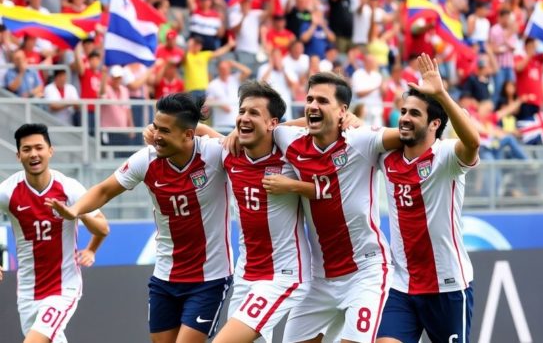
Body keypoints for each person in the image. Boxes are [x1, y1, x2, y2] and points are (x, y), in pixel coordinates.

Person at [46, 93, 233, 343]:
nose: (156, 135)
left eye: (165, 130)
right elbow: (104, 190)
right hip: (165, 276)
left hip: (209, 278)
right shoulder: (147, 159)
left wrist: (201, 127)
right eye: (155, 127)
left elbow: (242, 147)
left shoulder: (213, 154)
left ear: (189, 135)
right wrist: (75, 210)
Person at [259, 71, 401, 342]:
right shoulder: (291, 141)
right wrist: (221, 134)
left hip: (365, 272)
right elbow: (265, 128)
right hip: (320, 278)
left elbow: (409, 134)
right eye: (309, 99)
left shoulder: (360, 140)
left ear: (342, 111)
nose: (312, 105)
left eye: (322, 101)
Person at [376, 53, 480, 343]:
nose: (405, 118)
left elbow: (473, 141)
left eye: (414, 113)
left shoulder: (446, 156)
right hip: (402, 286)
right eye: (403, 111)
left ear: (434, 124)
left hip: (447, 286)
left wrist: (441, 94)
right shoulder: (386, 157)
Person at [211, 81, 313, 343]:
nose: (244, 117)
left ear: (273, 123)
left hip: (283, 273)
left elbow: (328, 126)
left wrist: (293, 185)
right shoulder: (229, 154)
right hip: (246, 273)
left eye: (254, 113)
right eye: (242, 111)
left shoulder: (291, 157)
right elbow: (196, 134)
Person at [0, 123, 109, 343]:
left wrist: (76, 214)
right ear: (18, 155)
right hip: (28, 291)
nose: (34, 154)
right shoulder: (8, 192)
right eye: (27, 149)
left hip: (63, 288)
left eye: (39, 147)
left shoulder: (69, 188)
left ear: (50, 151)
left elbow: (103, 228)